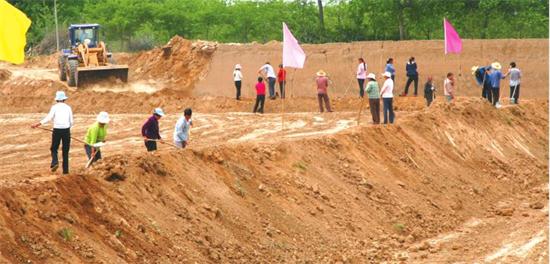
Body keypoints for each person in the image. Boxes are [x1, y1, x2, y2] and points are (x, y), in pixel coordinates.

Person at [31, 91, 74, 174]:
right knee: (65, 151)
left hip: (57, 130)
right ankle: (65, 171)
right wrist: (67, 130)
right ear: (64, 99)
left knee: (54, 148)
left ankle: (55, 162)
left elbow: (49, 118)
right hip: (66, 130)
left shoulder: (54, 107)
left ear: (57, 100)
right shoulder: (68, 108)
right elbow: (71, 121)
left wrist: (38, 124)